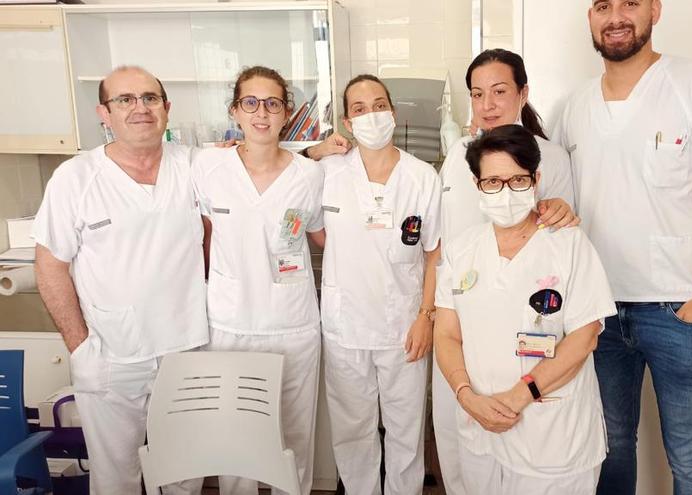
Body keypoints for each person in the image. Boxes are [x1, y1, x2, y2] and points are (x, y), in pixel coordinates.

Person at [553, 1, 692, 494]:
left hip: (680, 311)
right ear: (590, 18)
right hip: (596, 315)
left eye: (630, 3)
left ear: (655, 11)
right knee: (609, 445)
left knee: (690, 456)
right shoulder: (573, 108)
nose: (616, 16)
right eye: (603, 5)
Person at [32, 66, 209, 495]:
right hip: (112, 355)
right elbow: (51, 266)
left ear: (166, 109)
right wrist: (80, 345)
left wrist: (318, 152)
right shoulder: (75, 179)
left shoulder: (195, 165)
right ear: (104, 114)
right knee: (116, 479)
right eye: (125, 100)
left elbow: (257, 162)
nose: (140, 109)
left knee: (185, 474)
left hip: (186, 348)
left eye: (150, 98)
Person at [434, 124, 617, 493]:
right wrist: (465, 395)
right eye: (493, 182)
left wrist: (519, 398)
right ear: (476, 184)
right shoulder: (462, 249)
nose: (506, 192)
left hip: (551, 434)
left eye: (518, 180)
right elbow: (448, 333)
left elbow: (583, 339)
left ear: (536, 179)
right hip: (481, 427)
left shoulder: (568, 244)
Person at [433, 47, 579, 494]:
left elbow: (565, 235)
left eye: (499, 91)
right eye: (477, 94)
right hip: (458, 320)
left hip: (525, 323)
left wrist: (558, 208)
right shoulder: (457, 154)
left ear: (523, 93)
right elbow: (441, 243)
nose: (488, 104)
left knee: (522, 445)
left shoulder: (549, 158)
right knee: (460, 440)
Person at [189, 66, 325, 495]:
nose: (261, 113)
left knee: (295, 438)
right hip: (230, 323)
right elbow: (202, 237)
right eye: (250, 102)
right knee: (238, 440)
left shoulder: (310, 176)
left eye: (272, 103)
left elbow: (324, 238)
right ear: (235, 110)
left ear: (286, 113)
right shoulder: (208, 166)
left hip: (293, 324)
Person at [319, 74, 442, 495]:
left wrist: (426, 316)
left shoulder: (422, 176)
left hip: (403, 325)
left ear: (391, 110)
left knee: (406, 429)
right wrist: (317, 148)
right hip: (345, 327)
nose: (370, 114)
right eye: (358, 108)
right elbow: (316, 230)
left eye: (378, 104)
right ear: (347, 122)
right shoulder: (327, 173)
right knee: (353, 431)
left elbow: (434, 252)